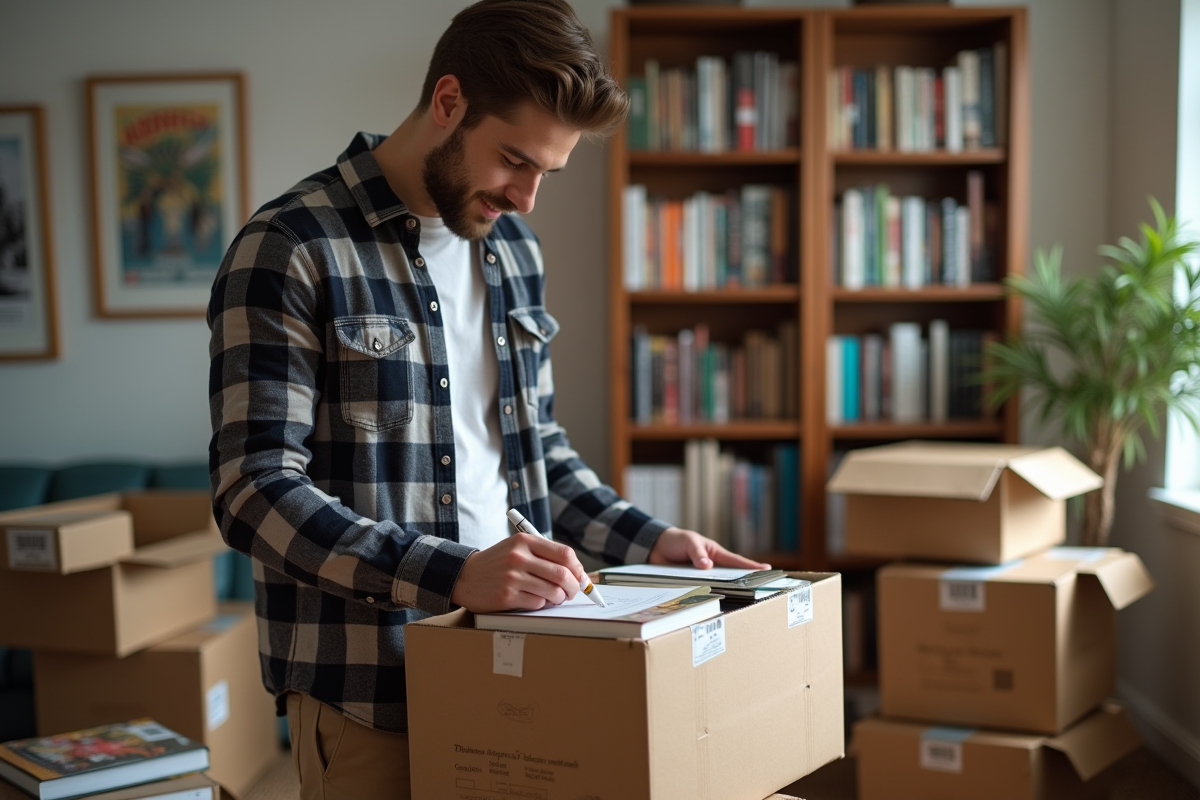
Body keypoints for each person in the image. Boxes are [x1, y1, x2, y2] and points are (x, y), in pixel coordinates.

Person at [207, 1, 768, 797]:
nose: (529, 196)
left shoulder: (512, 253)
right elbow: (250, 491)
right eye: (514, 160)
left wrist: (650, 543)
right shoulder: (292, 248)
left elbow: (536, 453)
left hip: (525, 674)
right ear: (448, 102)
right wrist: (453, 574)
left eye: (548, 172)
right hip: (370, 693)